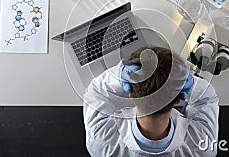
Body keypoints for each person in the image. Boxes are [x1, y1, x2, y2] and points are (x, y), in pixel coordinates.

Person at [83, 46, 219, 156]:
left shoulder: (101, 142)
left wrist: (120, 74)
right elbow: (206, 97)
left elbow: (96, 92)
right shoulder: (202, 147)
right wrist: (191, 83)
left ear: (130, 93)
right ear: (178, 99)